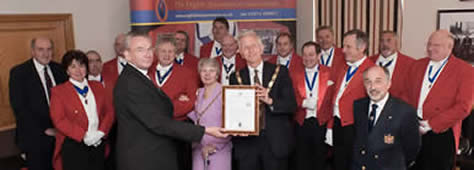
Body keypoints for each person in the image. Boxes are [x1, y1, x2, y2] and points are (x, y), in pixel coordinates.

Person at [113, 31, 227, 170]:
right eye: (140, 49)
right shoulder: (131, 83)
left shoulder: (140, 77)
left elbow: (167, 109)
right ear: (127, 54)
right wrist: (205, 130)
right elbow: (158, 122)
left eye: (149, 49)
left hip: (154, 155)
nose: (147, 53)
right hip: (144, 159)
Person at [403, 30, 473, 170]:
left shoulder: (465, 70)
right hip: (413, 129)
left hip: (441, 132)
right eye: (429, 44)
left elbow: (463, 107)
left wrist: (430, 124)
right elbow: (405, 95)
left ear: (450, 47)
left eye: (436, 45)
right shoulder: (416, 65)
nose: (430, 48)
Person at [229, 31, 297, 170]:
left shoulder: (280, 72)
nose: (250, 50)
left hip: (275, 143)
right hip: (246, 144)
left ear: (261, 48)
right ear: (240, 53)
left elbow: (291, 106)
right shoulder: (235, 77)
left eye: (253, 46)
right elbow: (234, 110)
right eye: (245, 47)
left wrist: (270, 100)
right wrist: (234, 125)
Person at [49, 50, 115, 170]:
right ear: (67, 70)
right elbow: (59, 120)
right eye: (73, 66)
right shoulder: (59, 91)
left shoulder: (97, 86)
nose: (78, 70)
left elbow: (110, 112)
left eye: (81, 65)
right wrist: (83, 135)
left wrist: (101, 132)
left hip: (98, 143)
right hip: (74, 145)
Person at [319, 29, 375, 170]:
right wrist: (330, 126)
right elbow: (335, 98)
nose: (343, 50)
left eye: (348, 47)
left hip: (356, 128)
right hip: (338, 124)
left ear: (361, 48)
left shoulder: (371, 70)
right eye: (343, 46)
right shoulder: (342, 66)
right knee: (339, 163)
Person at [9, 37, 68, 170]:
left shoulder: (60, 70)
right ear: (33, 52)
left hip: (62, 136)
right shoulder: (19, 73)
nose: (45, 53)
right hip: (35, 139)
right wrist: (46, 129)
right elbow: (20, 108)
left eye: (49, 49)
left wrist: (61, 128)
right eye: (40, 49)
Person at [352, 66, 420, 170]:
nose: (372, 87)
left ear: (389, 84)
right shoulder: (358, 106)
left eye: (378, 81)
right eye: (368, 82)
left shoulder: (405, 112)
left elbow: (411, 150)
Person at [147, 37, 198, 170]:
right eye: (163, 51)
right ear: (156, 52)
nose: (167, 55)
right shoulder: (146, 72)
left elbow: (191, 102)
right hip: (151, 131)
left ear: (175, 53)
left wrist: (158, 109)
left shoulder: (187, 73)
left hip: (177, 130)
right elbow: (143, 101)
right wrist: (175, 102)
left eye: (170, 51)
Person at [291, 41, 331, 170]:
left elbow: (333, 100)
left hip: (321, 122)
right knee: (301, 160)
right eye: (305, 55)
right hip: (301, 122)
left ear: (319, 56)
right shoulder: (294, 73)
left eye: (311, 54)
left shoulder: (329, 73)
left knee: (320, 160)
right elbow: (289, 96)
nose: (307, 58)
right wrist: (302, 102)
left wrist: (330, 127)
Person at [188, 58, 232, 170]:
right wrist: (187, 106)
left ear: (217, 74)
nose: (207, 74)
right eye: (204, 71)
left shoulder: (225, 92)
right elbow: (200, 117)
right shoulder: (198, 92)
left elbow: (231, 123)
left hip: (219, 148)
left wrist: (216, 145)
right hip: (199, 147)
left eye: (211, 70)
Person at [368, 31, 415, 98]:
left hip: (398, 105)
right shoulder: (369, 61)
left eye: (389, 40)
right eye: (381, 41)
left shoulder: (410, 64)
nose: (384, 44)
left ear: (397, 44)